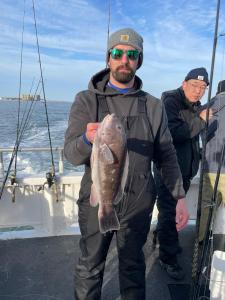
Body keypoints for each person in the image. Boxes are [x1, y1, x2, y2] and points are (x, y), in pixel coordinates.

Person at [64, 28, 189, 300]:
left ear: (138, 60)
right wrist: (87, 139)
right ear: (108, 58)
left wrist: (179, 197)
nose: (124, 59)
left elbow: (167, 155)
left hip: (138, 202)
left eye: (132, 54)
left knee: (133, 266)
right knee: (90, 265)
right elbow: (71, 156)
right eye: (118, 53)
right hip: (97, 200)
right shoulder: (87, 100)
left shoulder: (153, 106)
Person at [153, 67, 213, 280]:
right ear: (184, 83)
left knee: (169, 213)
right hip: (169, 170)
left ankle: (162, 238)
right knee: (169, 212)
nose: (198, 91)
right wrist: (201, 120)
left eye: (203, 88)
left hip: (185, 171)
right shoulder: (170, 101)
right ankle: (167, 259)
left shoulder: (196, 105)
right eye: (195, 85)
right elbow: (175, 132)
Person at [200, 79, 225, 251]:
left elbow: (198, 133)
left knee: (206, 208)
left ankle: (200, 242)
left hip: (209, 168)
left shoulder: (206, 107)